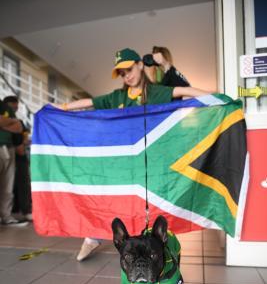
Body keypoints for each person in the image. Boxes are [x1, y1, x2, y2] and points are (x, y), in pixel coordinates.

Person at [54, 48, 208, 260]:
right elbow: (90, 102)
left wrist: (214, 97)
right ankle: (92, 238)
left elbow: (184, 92)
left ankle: (157, 248)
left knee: (154, 206)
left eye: (129, 69)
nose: (126, 75)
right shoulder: (118, 96)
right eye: (121, 73)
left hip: (152, 162)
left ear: (140, 65)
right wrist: (61, 107)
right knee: (111, 200)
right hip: (125, 163)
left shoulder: (155, 92)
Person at [3, 96, 32, 222]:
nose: (14, 108)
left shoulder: (16, 118)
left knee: (14, 184)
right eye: (12, 106)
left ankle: (19, 212)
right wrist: (10, 124)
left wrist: (5, 124)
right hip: (8, 149)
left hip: (16, 153)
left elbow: (20, 129)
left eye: (16, 106)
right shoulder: (5, 110)